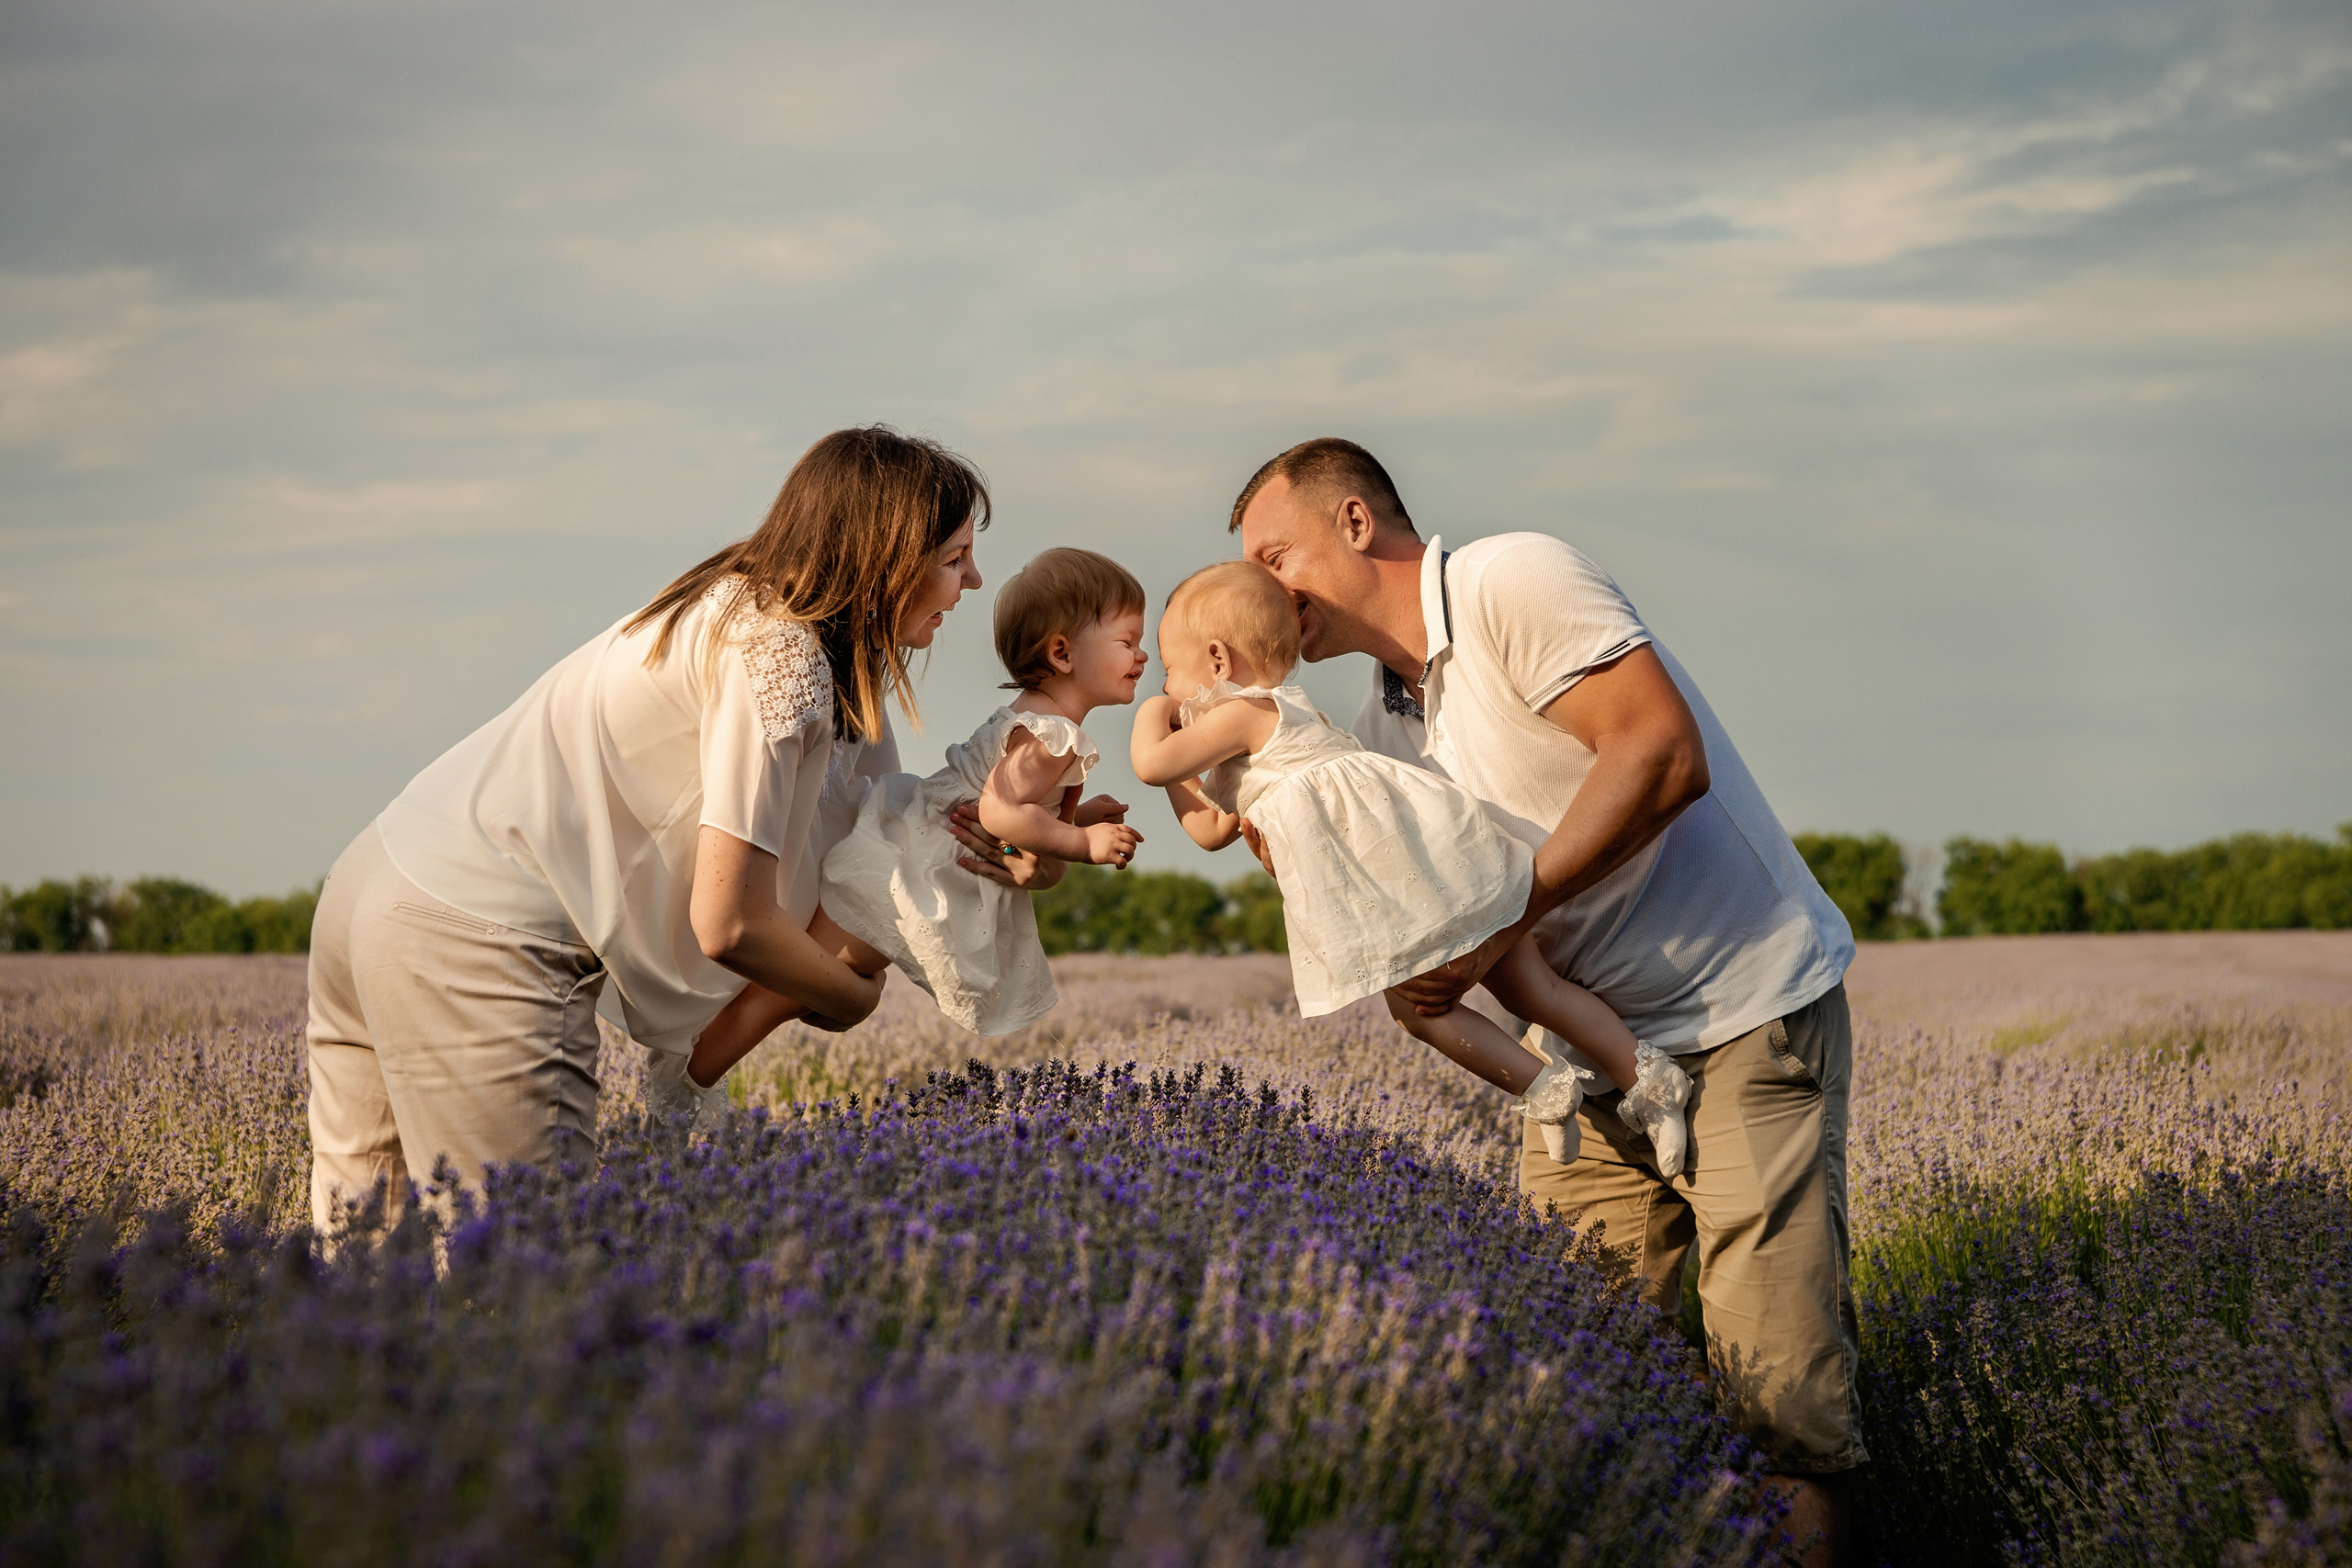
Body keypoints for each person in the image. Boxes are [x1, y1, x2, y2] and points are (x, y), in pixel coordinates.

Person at [1231, 437, 1860, 1567]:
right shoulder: (1380, 728)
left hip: (1741, 1015)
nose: (1261, 590)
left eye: (1277, 553)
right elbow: (1439, 919)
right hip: (1585, 1062)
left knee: (1780, 1409)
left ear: (1358, 522)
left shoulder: (1508, 581)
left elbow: (1661, 754)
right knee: (1582, 1378)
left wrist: (1504, 922)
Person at [304, 426, 1050, 1226]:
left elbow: (884, 845)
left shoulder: (766, 626)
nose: (973, 580)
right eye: (953, 557)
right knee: (519, 1284)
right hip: (478, 936)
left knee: (367, 1269)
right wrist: (852, 998)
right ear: (884, 555)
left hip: (376, 886)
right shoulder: (781, 654)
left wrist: (1021, 849)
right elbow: (731, 922)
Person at [1130, 559, 1694, 1169]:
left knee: (1420, 1011)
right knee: (1533, 987)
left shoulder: (1246, 714)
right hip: (1431, 863)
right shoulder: (1287, 718)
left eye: (1169, 671)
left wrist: (1147, 713)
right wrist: (1183, 760)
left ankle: (1555, 1088)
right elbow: (1209, 827)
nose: (1166, 688)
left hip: (1395, 886)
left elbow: (1152, 763)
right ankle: (1640, 1080)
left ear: (1217, 662)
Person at [687, 547, 1146, 1059]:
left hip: (914, 848)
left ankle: (693, 1063)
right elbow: (998, 812)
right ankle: (691, 1074)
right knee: (791, 988)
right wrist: (1081, 841)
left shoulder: (1044, 724)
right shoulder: (1051, 736)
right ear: (1062, 654)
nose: (1143, 657)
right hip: (913, 867)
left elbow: (1012, 808)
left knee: (799, 986)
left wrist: (1076, 816)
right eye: (1128, 642)